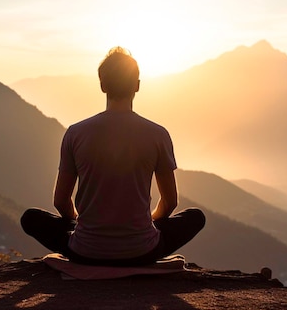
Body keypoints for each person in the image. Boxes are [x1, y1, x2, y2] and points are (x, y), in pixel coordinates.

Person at [21, 47, 205, 266]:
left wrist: (83, 224)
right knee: (195, 217)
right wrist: (147, 223)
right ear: (137, 86)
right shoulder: (158, 134)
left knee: (31, 218)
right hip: (143, 251)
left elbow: (61, 201)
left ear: (103, 86)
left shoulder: (75, 133)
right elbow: (170, 202)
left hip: (85, 252)